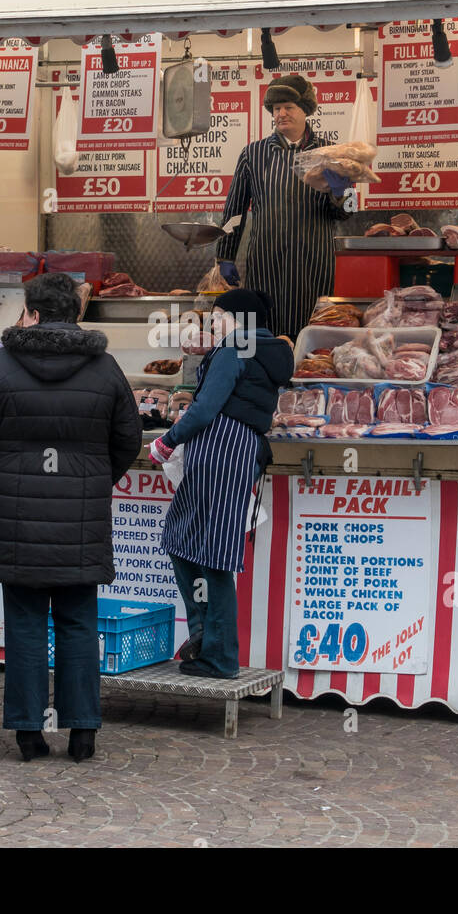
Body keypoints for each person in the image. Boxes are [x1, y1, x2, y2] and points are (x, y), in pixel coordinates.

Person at [0, 273, 142, 762]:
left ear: (32, 313)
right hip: (80, 523)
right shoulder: (104, 367)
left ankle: (28, 734)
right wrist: (93, 482)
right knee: (78, 623)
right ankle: (82, 733)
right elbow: (129, 439)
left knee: (24, 624)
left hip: (15, 521)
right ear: (76, 314)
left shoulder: (2, 365)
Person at [146, 288, 293, 678]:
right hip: (239, 450)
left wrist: (166, 442)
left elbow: (204, 408)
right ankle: (204, 639)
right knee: (192, 546)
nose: (213, 322)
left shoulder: (234, 349)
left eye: (219, 315)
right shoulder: (264, 349)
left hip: (218, 450)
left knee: (209, 556)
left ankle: (219, 656)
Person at [213, 74, 353, 339]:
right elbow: (235, 210)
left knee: (311, 333)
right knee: (264, 331)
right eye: (276, 109)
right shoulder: (253, 154)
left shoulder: (330, 153)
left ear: (305, 111)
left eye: (289, 107)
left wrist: (341, 191)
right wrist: (225, 256)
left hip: (313, 262)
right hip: (265, 263)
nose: (281, 114)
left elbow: (347, 211)